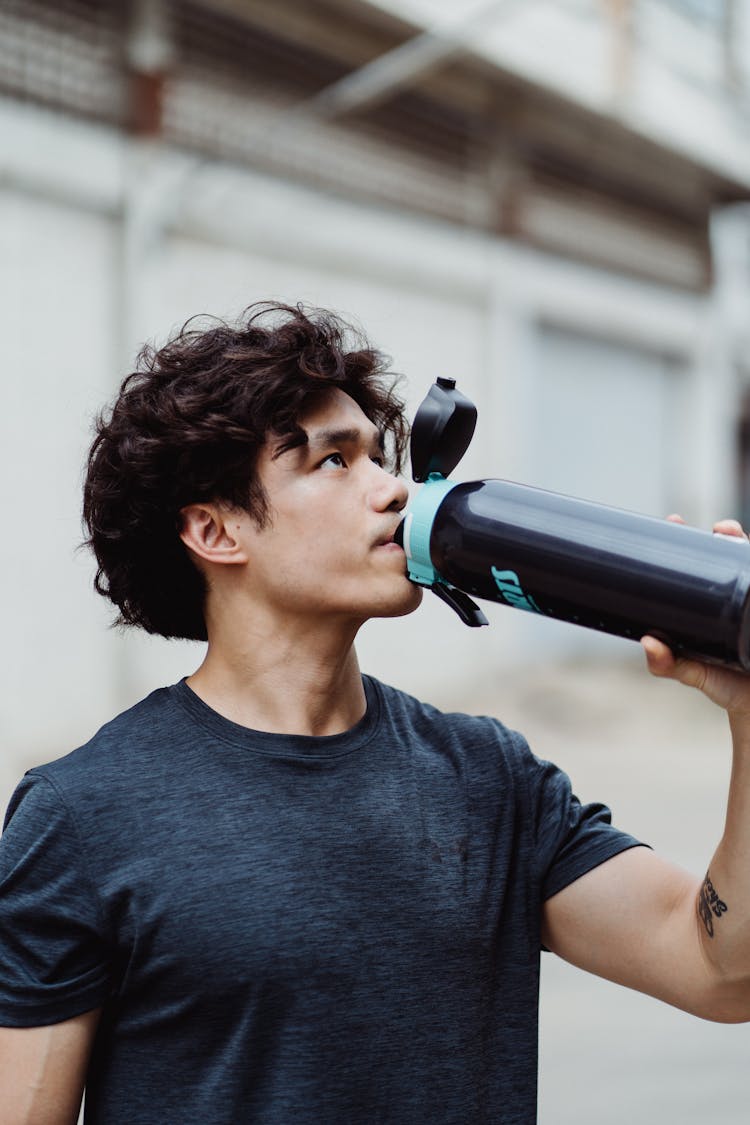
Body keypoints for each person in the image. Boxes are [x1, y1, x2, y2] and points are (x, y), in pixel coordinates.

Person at [1, 302, 749, 1125]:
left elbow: (721, 971)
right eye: (333, 461)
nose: (392, 486)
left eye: (380, 455)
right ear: (215, 530)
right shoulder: (84, 817)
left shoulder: (489, 778)